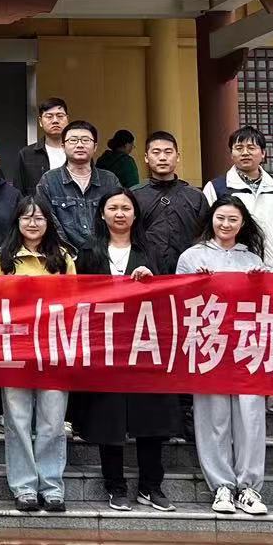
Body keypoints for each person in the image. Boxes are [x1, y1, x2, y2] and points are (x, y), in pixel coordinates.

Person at [75, 191, 179, 513]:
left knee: (151, 416)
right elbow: (76, 296)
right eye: (113, 208)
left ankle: (151, 486)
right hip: (104, 345)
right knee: (109, 417)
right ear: (102, 214)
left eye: (126, 208)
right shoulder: (88, 252)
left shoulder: (152, 250)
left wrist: (150, 282)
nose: (119, 213)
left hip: (144, 344)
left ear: (135, 214)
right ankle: (115, 486)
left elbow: (169, 294)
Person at [177, 195, 272, 517]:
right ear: (211, 220)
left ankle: (249, 487)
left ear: (242, 224)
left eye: (233, 219)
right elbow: (177, 302)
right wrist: (196, 284)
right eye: (221, 218)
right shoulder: (191, 256)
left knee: (251, 418)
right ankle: (221, 486)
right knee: (212, 417)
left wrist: (260, 283)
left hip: (247, 346)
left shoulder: (253, 260)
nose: (226, 224)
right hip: (209, 345)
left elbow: (269, 303)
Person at [0, 197, 76, 512]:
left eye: (39, 217)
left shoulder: (63, 258)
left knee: (53, 421)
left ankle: (52, 487)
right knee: (17, 420)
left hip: (53, 348)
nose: (33, 223)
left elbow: (75, 303)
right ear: (17, 222)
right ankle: (24, 487)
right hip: (14, 348)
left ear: (48, 222)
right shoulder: (3, 258)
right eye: (26, 217)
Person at [204, 125, 273, 269]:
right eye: (239, 148)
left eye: (251, 148)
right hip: (232, 268)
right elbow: (208, 229)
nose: (245, 153)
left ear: (263, 153)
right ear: (231, 154)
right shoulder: (216, 187)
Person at [130, 131, 208, 277]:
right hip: (146, 274)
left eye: (168, 152)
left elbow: (206, 237)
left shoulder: (195, 196)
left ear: (177, 157)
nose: (162, 157)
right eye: (156, 152)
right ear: (146, 157)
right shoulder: (134, 195)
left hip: (188, 273)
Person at [37, 120, 121, 254]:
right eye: (73, 140)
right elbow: (50, 223)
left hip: (105, 255)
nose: (80, 145)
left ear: (95, 146)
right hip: (64, 256)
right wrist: (69, 254)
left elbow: (119, 218)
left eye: (86, 140)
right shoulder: (49, 180)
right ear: (63, 146)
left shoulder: (109, 180)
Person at [14, 97, 70, 195]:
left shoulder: (78, 151)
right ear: (40, 121)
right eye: (49, 116)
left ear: (67, 119)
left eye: (60, 116)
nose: (55, 120)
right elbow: (19, 192)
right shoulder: (26, 154)